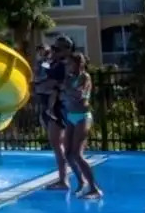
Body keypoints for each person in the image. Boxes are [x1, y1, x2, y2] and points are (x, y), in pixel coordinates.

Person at [34, 36, 80, 190]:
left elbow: (56, 82)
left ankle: (66, 180)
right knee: (58, 145)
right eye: (54, 48)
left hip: (58, 108)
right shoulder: (55, 63)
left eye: (57, 49)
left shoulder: (66, 66)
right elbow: (42, 69)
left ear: (67, 50)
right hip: (51, 107)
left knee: (59, 145)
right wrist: (43, 57)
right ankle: (64, 179)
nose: (54, 51)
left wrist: (42, 84)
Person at [63, 52, 103, 199]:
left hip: (82, 117)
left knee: (77, 154)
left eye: (71, 63)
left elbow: (80, 95)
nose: (68, 66)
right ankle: (82, 182)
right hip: (71, 116)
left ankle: (95, 189)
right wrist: (71, 92)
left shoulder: (85, 77)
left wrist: (70, 92)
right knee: (68, 153)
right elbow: (69, 92)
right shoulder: (69, 78)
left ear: (79, 64)